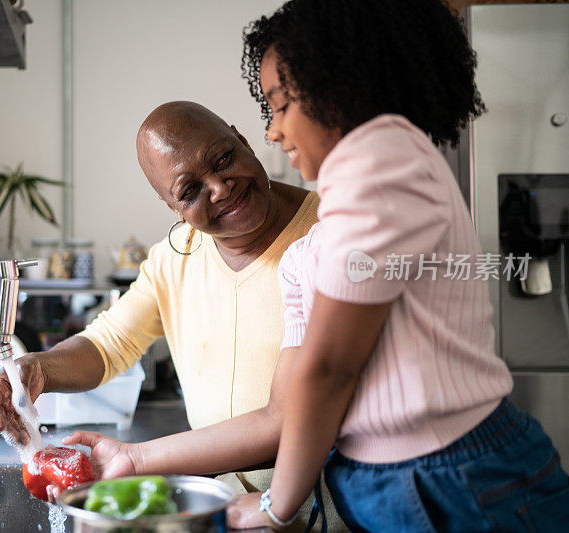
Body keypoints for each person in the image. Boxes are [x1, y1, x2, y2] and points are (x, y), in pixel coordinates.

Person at [65, 1, 569, 531]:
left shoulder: (382, 161)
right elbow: (290, 407)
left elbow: (329, 371)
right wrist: (138, 460)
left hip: (455, 477)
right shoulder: (317, 241)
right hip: (387, 479)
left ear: (337, 89)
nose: (273, 132)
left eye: (280, 106)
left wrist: (275, 506)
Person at [0, 101, 343, 524]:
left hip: (327, 511)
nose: (220, 188)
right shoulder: (176, 260)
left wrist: (137, 459)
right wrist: (39, 369)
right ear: (172, 209)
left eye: (224, 158)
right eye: (189, 191)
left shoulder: (331, 235)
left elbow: (289, 418)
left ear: (242, 139)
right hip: (224, 510)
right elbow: (108, 344)